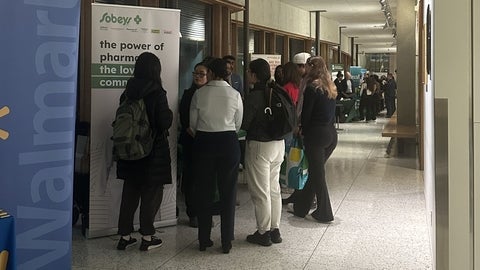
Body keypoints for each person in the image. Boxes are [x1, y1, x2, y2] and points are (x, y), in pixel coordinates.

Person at [116, 52, 173, 251]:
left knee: (129, 194)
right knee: (151, 194)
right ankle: (148, 238)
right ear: (155, 70)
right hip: (151, 152)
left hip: (129, 152)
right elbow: (164, 121)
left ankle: (124, 236)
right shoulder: (157, 93)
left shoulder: (128, 91)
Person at [189, 58, 243, 254]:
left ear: (210, 73)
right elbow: (238, 124)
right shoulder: (235, 94)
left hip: (204, 142)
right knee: (228, 192)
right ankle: (227, 240)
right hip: (228, 142)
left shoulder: (199, 94)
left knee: (204, 191)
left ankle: (204, 239)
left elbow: (192, 123)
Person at [241, 58, 285, 247]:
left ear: (254, 74)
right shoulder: (276, 90)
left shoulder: (255, 95)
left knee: (261, 191)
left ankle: (263, 232)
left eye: (249, 71)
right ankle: (275, 230)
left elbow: (244, 123)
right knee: (274, 188)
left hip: (260, 145)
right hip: (278, 144)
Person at [291, 56, 338, 223]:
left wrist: (301, 130)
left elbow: (306, 115)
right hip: (331, 134)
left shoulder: (312, 88)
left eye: (307, 65)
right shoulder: (330, 86)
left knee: (318, 175)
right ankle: (301, 207)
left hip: (316, 135)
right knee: (315, 172)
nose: (305, 68)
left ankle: (325, 212)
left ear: (312, 67)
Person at [179, 62, 209, 228]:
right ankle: (193, 213)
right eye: (195, 73)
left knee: (205, 179)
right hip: (192, 141)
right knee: (191, 178)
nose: (197, 76)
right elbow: (185, 121)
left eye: (201, 74)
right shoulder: (188, 94)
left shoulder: (211, 93)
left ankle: (205, 212)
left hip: (207, 143)